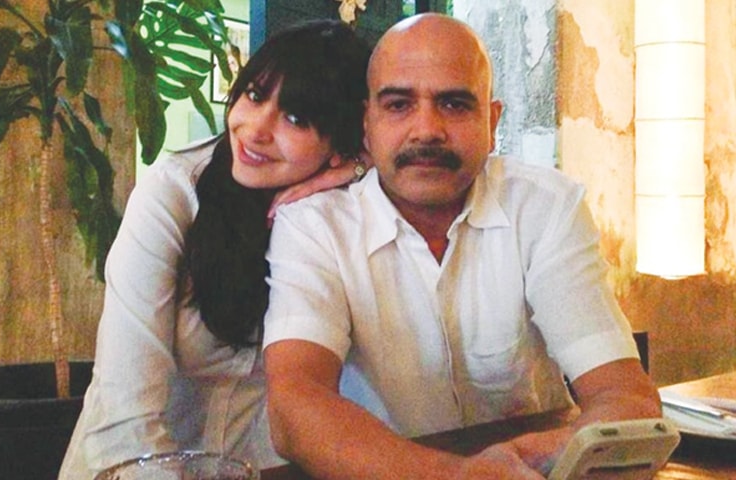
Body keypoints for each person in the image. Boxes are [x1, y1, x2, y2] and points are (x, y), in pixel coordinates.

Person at [262, 13, 662, 479]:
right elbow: (293, 406)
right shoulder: (315, 227)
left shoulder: (545, 207)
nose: (426, 129)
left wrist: (538, 454)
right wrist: (457, 476)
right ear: (367, 123)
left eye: (454, 104)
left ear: (492, 122)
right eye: (398, 105)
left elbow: (626, 398)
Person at [58, 19, 371, 479]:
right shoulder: (174, 192)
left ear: (340, 143)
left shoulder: (343, 211)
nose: (255, 129)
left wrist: (363, 168)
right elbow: (126, 414)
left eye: (296, 119)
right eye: (255, 96)